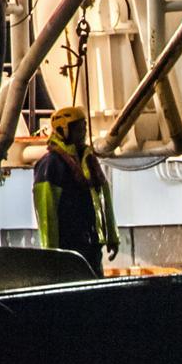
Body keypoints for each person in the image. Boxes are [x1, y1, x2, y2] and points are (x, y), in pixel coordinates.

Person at [33, 106, 119, 275]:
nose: (84, 132)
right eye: (79, 128)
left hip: (92, 246)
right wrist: (51, 255)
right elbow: (47, 213)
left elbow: (103, 198)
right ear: (63, 130)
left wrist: (111, 237)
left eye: (84, 127)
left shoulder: (89, 161)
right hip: (69, 250)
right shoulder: (51, 164)